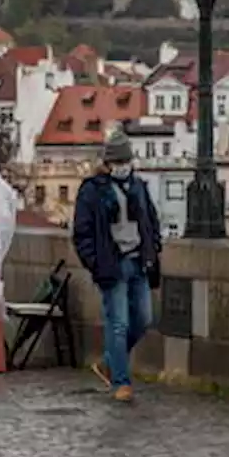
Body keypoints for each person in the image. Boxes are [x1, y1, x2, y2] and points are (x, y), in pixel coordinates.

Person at [71, 126, 162, 402]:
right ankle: (121, 382)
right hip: (113, 264)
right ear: (107, 163)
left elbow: (151, 222)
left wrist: (153, 248)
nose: (123, 167)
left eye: (126, 162)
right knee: (118, 323)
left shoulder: (138, 187)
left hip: (139, 261)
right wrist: (96, 263)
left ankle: (112, 360)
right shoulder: (93, 191)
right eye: (118, 162)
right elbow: (82, 232)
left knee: (143, 319)